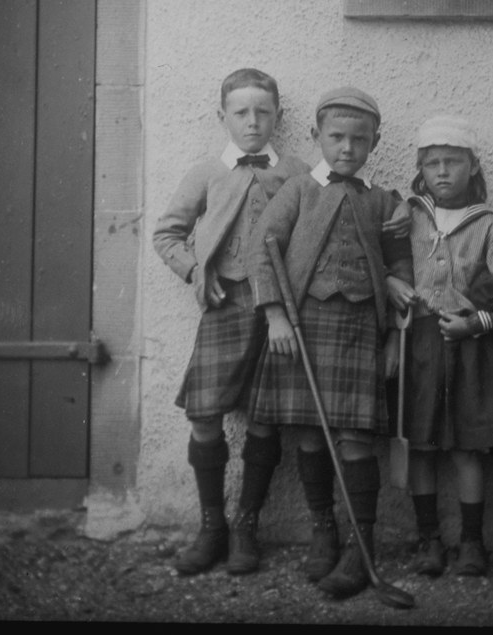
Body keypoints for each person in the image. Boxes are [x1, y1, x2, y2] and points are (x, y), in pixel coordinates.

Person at [248, 86, 413, 599]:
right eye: (336, 137)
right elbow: (263, 248)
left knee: (357, 437)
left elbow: (400, 264)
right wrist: (275, 313)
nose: (347, 148)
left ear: (375, 142)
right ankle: (325, 529)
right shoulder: (299, 189)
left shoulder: (384, 200)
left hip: (363, 328)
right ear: (316, 136)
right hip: (303, 326)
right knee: (311, 434)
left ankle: (360, 546)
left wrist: (394, 335)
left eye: (359, 140)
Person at [152, 68, 311, 577]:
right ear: (221, 116)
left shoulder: (296, 173)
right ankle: (211, 525)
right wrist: (196, 271)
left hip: (278, 312)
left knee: (265, 417)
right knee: (204, 414)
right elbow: (167, 234)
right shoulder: (206, 172)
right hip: (225, 307)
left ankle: (247, 526)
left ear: (279, 117)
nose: (252, 122)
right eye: (240, 113)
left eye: (263, 112)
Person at [384, 116, 493, 578]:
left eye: (453, 162)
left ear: (473, 166)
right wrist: (391, 280)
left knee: (467, 448)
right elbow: (382, 257)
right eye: (432, 164)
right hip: (419, 343)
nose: (442, 172)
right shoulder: (406, 214)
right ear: (420, 170)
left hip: (470, 346)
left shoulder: (486, 225)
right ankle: (429, 540)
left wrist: (475, 324)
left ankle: (472, 541)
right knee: (422, 444)